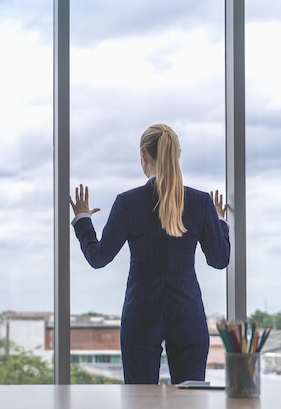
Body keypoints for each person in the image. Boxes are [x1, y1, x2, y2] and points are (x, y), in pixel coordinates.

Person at [69, 123, 230, 385]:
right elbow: (219, 259)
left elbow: (98, 258)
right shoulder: (201, 203)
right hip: (188, 315)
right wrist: (220, 222)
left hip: (141, 314)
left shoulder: (128, 202)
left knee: (139, 402)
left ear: (144, 155)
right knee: (189, 404)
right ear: (176, 155)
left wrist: (82, 219)